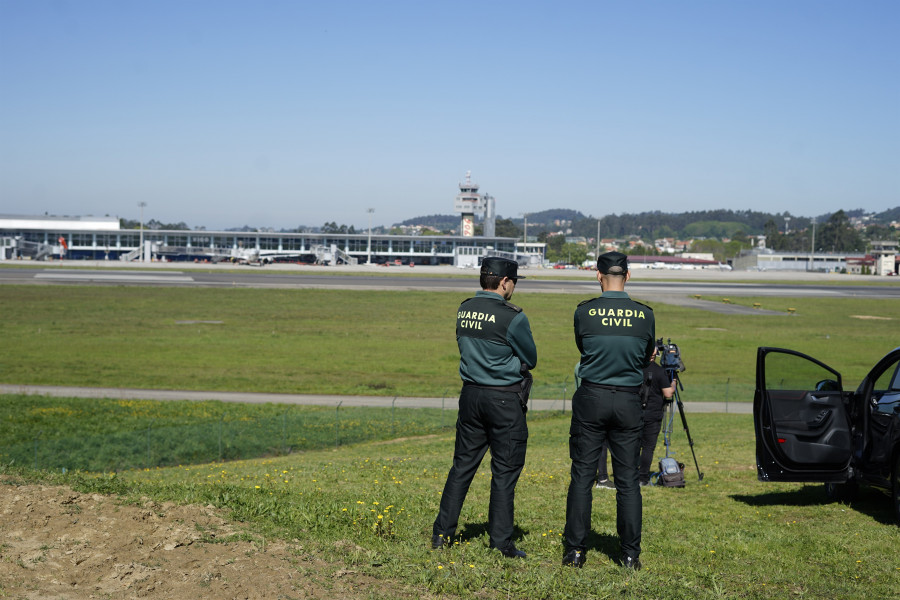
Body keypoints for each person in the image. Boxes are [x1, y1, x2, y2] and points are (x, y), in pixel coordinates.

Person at [432, 257, 537, 559]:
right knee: (504, 471)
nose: (514, 287)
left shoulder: (464, 308)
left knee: (462, 466)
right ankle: (501, 542)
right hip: (503, 399)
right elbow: (530, 357)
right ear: (505, 282)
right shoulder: (513, 316)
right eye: (514, 282)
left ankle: (442, 535)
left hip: (470, 396)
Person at [562, 251, 655, 570]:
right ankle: (630, 554)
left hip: (592, 396)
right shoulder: (645, 315)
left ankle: (574, 551)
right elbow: (646, 357)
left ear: (597, 276)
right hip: (628, 399)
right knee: (627, 480)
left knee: (582, 477)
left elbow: (582, 347)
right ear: (628, 277)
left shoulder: (584, 312)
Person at [639, 345, 676, 486]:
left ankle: (630, 474)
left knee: (634, 445)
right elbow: (668, 394)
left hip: (635, 412)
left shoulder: (635, 368)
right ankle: (642, 478)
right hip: (653, 414)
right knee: (648, 447)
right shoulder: (660, 372)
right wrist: (673, 383)